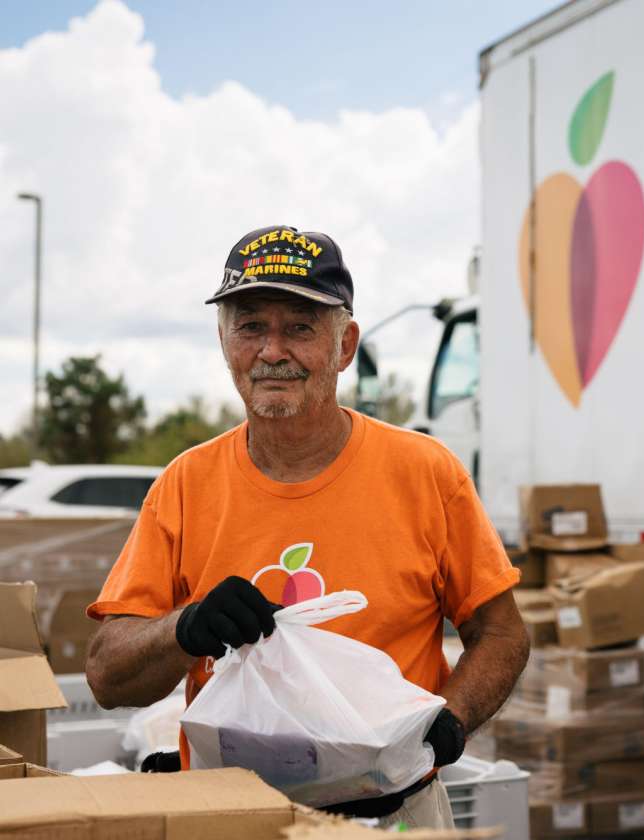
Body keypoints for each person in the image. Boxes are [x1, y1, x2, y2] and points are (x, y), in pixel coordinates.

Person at [85, 224, 530, 828]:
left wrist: (449, 723)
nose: (273, 351)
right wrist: (185, 627)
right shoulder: (185, 485)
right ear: (224, 342)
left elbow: (502, 633)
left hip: (395, 815)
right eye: (250, 326)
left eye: (300, 327)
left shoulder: (426, 473)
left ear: (345, 346)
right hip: (231, 818)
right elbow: (107, 676)